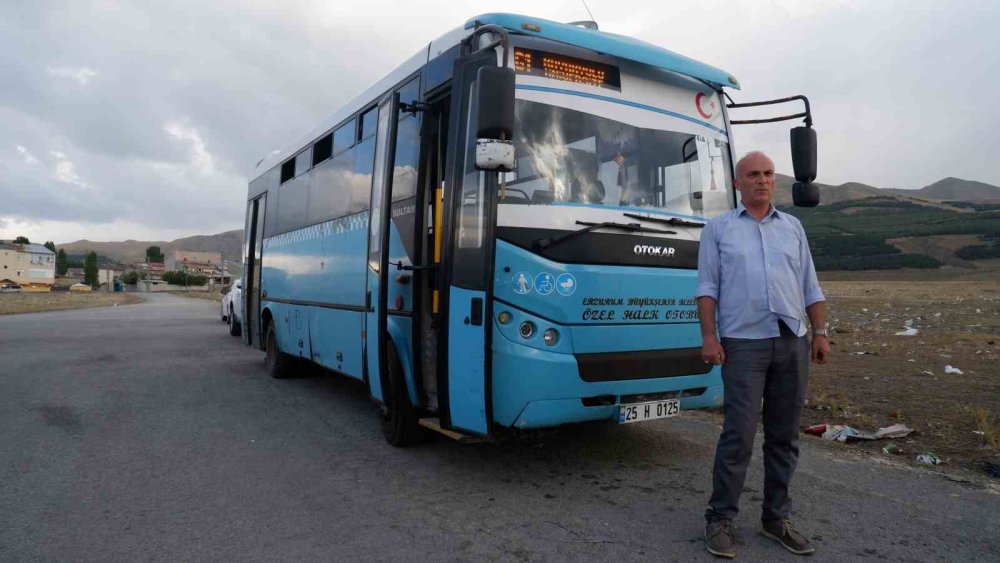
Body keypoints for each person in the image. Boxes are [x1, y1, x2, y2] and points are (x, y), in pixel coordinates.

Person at [695, 151, 829, 558]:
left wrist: (820, 332)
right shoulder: (717, 230)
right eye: (753, 174)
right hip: (742, 344)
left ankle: (775, 519)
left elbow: (810, 284)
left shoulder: (792, 228)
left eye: (769, 174)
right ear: (738, 183)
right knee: (738, 434)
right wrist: (709, 338)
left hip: (792, 341)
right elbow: (707, 288)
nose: (762, 180)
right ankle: (720, 519)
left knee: (785, 436)